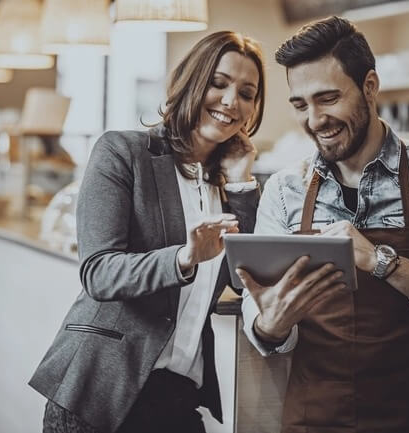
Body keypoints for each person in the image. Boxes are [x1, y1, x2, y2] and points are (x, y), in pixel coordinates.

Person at [236, 16, 409, 433]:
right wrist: (268, 325)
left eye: (328, 98)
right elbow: (263, 310)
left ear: (370, 86)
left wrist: (382, 261)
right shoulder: (284, 190)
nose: (314, 119)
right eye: (301, 105)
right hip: (313, 416)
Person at [30, 31, 271, 433]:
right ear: (191, 83)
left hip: (178, 399)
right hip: (100, 397)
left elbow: (251, 279)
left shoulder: (232, 186)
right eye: (219, 83)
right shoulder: (123, 153)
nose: (232, 101)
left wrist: (242, 182)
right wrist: (184, 258)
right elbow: (99, 272)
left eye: (247, 93)